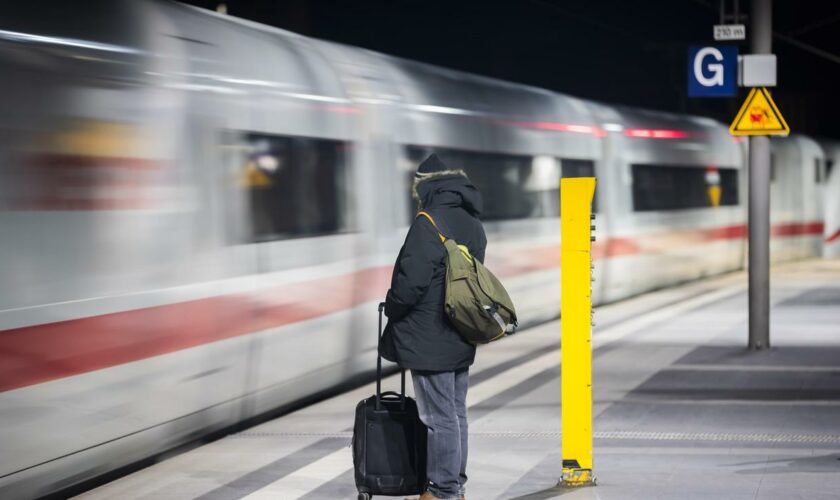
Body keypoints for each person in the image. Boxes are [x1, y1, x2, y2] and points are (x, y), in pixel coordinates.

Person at [380, 154, 487, 500]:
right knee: (455, 413)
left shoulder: (428, 222)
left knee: (437, 417)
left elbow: (409, 284)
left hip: (428, 337)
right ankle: (455, 484)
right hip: (460, 330)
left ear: (423, 187)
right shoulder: (473, 222)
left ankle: (442, 491)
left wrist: (392, 308)